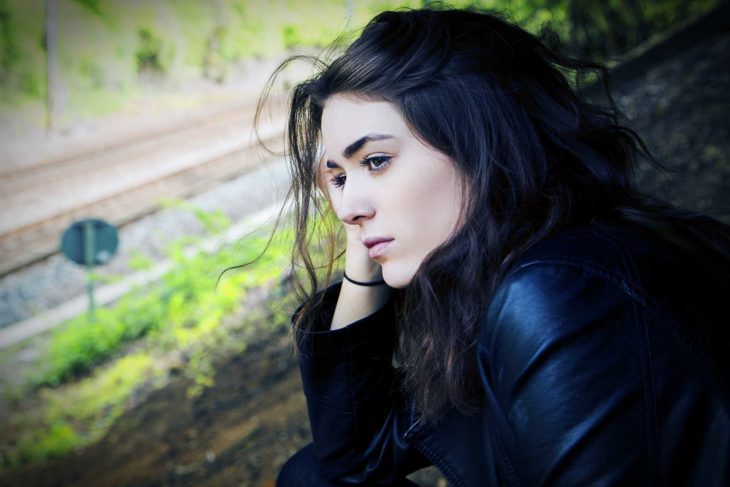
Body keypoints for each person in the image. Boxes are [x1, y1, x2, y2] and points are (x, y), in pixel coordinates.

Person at [260, 6, 730, 486]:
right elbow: (353, 459)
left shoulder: (560, 293)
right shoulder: (503, 275)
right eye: (337, 177)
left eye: (376, 161)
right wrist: (364, 256)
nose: (346, 207)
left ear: (479, 142)